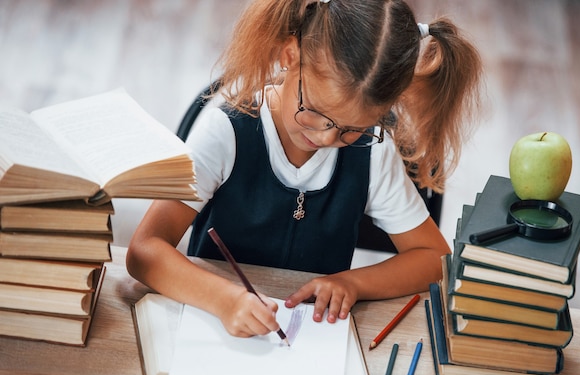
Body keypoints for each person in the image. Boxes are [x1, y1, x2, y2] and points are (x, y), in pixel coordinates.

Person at [126, 0, 482, 339]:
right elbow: (145, 251)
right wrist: (224, 299)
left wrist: (353, 283)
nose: (326, 137)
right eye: (314, 111)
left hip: (309, 336)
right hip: (211, 323)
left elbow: (434, 258)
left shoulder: (374, 152)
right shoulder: (228, 130)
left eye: (350, 128)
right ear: (289, 56)